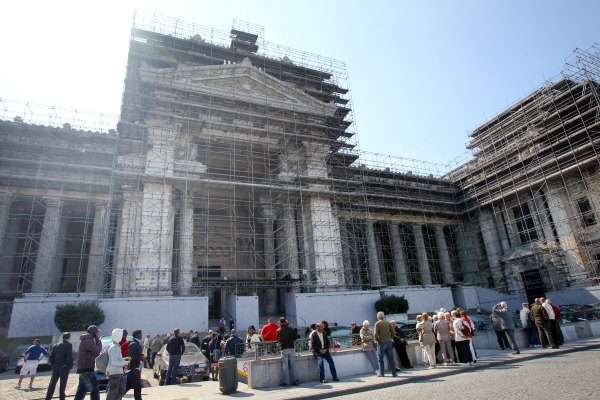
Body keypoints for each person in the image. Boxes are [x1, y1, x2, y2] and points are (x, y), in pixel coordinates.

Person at [74, 325, 102, 400]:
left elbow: (96, 353)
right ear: (94, 333)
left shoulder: (87, 340)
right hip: (87, 368)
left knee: (82, 390)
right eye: (97, 333)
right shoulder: (87, 340)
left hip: (84, 368)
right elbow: (97, 350)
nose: (98, 334)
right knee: (94, 389)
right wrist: (98, 340)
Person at [45, 333, 73, 400]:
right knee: (62, 384)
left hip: (56, 366)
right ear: (69, 337)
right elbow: (69, 356)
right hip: (64, 367)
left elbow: (51, 356)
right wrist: (69, 365)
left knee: (52, 383)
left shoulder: (56, 345)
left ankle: (48, 398)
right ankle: (62, 398)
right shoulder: (69, 344)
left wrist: (53, 365)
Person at [105, 328, 130, 400]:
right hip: (114, 372)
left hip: (118, 372)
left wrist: (124, 359)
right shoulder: (114, 347)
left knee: (121, 390)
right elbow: (114, 362)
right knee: (112, 394)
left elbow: (116, 359)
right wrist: (125, 362)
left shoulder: (114, 345)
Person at [373, 311, 398, 377]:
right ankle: (394, 373)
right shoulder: (388, 323)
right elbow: (394, 333)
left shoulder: (377, 324)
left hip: (381, 342)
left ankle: (382, 373)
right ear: (383, 316)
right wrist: (390, 337)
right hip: (389, 342)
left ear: (378, 317)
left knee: (381, 359)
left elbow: (375, 335)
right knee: (391, 358)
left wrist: (378, 340)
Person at [277, 317, 299, 386]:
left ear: (280, 323)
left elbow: (278, 340)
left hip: (284, 349)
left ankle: (287, 382)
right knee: (293, 365)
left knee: (285, 366)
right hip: (291, 348)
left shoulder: (279, 330)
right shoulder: (291, 329)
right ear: (285, 322)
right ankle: (295, 380)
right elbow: (295, 337)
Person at [125, 329, 144, 400]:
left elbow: (136, 353)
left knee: (134, 387)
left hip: (135, 369)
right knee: (137, 387)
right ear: (137, 335)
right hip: (133, 369)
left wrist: (141, 355)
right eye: (140, 334)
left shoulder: (136, 343)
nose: (142, 335)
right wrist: (140, 358)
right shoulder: (134, 344)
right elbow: (130, 356)